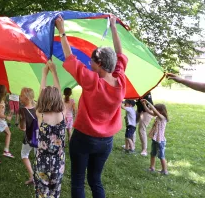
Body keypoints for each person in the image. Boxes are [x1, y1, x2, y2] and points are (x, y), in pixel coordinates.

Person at [57, 14, 128, 198]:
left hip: (83, 139)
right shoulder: (120, 80)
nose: (89, 63)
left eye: (92, 61)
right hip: (106, 142)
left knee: (78, 181)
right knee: (95, 180)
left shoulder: (92, 81)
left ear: (100, 64)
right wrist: (113, 26)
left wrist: (62, 31)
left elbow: (69, 58)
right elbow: (120, 54)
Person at [34, 62, 66, 198]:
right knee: (55, 193)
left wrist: (44, 74)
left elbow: (42, 93)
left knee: (42, 194)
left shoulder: (40, 115)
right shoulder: (62, 114)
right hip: (58, 162)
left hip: (42, 162)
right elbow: (58, 92)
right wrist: (54, 72)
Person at [141, 100, 169, 175]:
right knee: (152, 154)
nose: (154, 111)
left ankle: (165, 170)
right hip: (155, 139)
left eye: (157, 110)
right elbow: (149, 111)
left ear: (161, 111)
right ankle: (152, 168)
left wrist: (148, 103)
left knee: (161, 156)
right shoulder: (157, 116)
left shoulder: (163, 118)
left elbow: (154, 110)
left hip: (160, 141)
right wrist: (144, 104)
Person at [18, 87, 36, 185]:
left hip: (29, 138)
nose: (20, 97)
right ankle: (42, 179)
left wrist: (20, 127)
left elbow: (23, 127)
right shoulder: (38, 108)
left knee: (24, 154)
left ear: (26, 98)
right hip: (39, 138)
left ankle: (32, 176)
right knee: (39, 158)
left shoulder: (22, 110)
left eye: (21, 95)